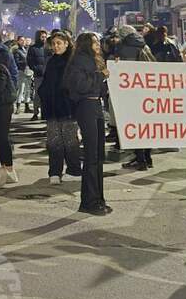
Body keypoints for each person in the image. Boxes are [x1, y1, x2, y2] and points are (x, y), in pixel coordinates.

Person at [65, 33, 110, 216]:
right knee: (91, 154)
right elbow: (81, 85)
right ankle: (89, 201)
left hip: (96, 106)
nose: (98, 44)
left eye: (98, 41)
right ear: (86, 44)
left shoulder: (95, 60)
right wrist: (100, 76)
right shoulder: (78, 61)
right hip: (86, 107)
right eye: (94, 42)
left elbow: (99, 86)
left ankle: (98, 198)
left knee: (98, 155)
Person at [39, 31, 81, 184]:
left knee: (70, 140)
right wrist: (43, 93)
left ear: (66, 43)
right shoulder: (52, 61)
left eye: (59, 43)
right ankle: (55, 172)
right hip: (51, 107)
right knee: (53, 141)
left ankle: (74, 170)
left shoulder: (73, 61)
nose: (56, 46)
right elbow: (46, 81)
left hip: (67, 107)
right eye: (54, 44)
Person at [115, 25, 156, 170]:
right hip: (148, 92)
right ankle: (148, 157)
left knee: (136, 126)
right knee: (146, 126)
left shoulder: (124, 48)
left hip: (133, 93)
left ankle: (140, 160)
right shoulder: (145, 45)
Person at [0, 31, 19, 189]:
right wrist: (13, 90)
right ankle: (7, 169)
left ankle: (5, 169)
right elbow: (14, 74)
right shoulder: (7, 52)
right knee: (2, 135)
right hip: (6, 99)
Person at [27, 30, 49, 119]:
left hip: (47, 75)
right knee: (38, 94)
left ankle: (45, 113)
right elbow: (30, 61)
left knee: (46, 95)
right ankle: (36, 112)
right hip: (38, 75)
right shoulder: (33, 48)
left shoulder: (47, 48)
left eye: (45, 37)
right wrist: (36, 69)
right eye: (42, 37)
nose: (44, 39)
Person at [13, 37, 32, 113]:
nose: (23, 41)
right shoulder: (17, 51)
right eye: (21, 40)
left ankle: (27, 106)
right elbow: (16, 62)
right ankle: (18, 106)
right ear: (18, 41)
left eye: (24, 40)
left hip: (29, 71)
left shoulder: (27, 50)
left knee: (28, 89)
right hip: (21, 71)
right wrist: (25, 62)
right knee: (21, 89)